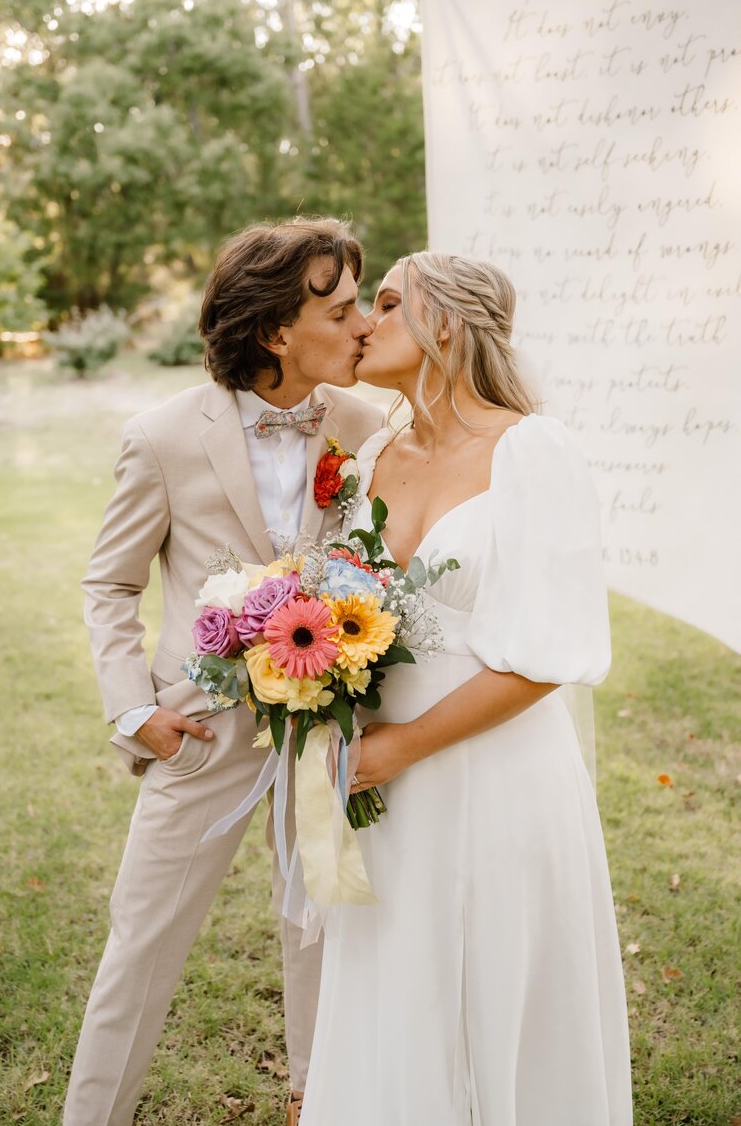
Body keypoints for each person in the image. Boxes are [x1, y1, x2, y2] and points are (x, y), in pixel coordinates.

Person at [300, 252, 633, 1125]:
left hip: (494, 777)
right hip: (383, 788)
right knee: (396, 989)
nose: (363, 323)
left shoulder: (533, 450)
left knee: (494, 982)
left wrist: (402, 748)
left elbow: (546, 655)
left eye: (385, 302)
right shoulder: (373, 452)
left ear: (446, 322)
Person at [64, 217, 383, 1126]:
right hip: (200, 734)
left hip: (328, 732)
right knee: (142, 941)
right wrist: (136, 714)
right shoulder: (162, 437)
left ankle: (320, 1107)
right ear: (278, 330)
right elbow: (110, 584)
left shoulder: (365, 426)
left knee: (326, 934)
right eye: (344, 307)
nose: (363, 325)